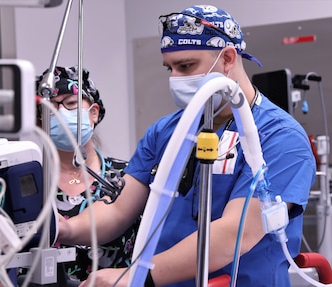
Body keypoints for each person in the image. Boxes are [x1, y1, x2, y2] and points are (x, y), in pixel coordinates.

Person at [58, 5, 316, 287]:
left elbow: (235, 234)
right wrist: (64, 229)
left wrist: (138, 276)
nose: (175, 79)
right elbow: (119, 210)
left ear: (228, 57)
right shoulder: (166, 131)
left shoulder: (279, 137)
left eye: (186, 66)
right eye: (170, 68)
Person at [35, 66, 141, 284]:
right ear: (39, 122)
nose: (60, 112)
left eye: (71, 103)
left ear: (93, 113)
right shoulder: (27, 182)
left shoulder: (128, 177)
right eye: (50, 107)